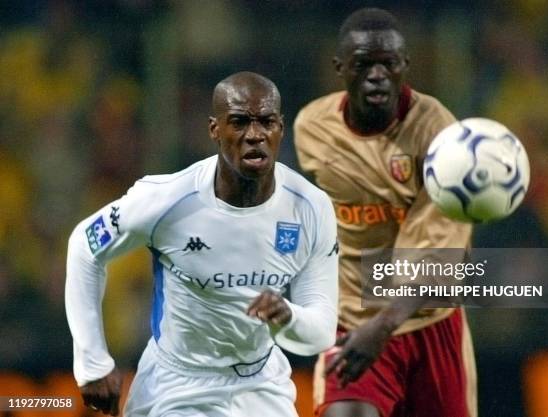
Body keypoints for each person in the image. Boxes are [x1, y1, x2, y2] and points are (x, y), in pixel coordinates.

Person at [65, 71, 339, 417]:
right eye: (239, 122)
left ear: (280, 128)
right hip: (176, 387)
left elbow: (321, 332)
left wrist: (288, 317)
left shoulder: (311, 207)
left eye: (266, 122)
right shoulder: (166, 199)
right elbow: (84, 247)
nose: (255, 135)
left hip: (262, 386)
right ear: (214, 129)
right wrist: (91, 363)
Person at [294, 8, 477, 417]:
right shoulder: (312, 129)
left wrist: (384, 325)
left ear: (405, 67)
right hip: (352, 321)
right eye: (363, 65)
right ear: (340, 68)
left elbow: (443, 264)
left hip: (428, 322)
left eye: (388, 64)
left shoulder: (439, 136)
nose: (377, 75)